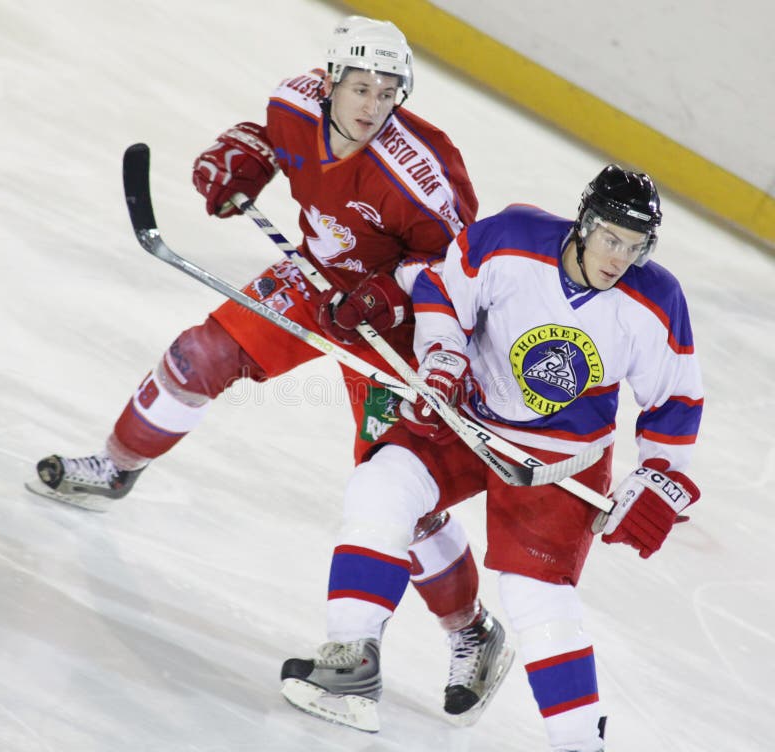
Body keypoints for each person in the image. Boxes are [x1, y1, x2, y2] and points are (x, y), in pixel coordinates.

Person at [28, 16, 512, 723]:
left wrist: (384, 292)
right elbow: (268, 139)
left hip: (401, 332)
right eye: (359, 87)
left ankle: (472, 632)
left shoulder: (418, 178)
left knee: (400, 496)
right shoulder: (293, 102)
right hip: (317, 281)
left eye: (387, 91)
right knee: (199, 356)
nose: (372, 105)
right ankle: (115, 465)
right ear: (330, 81)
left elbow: (455, 268)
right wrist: (241, 161)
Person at [280, 165, 703, 748]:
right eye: (610, 238)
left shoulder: (656, 299)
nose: (618, 258)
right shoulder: (511, 238)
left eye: (635, 247)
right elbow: (440, 290)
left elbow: (675, 400)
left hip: (563, 456)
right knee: (382, 488)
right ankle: (352, 663)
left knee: (535, 592)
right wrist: (443, 355)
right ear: (585, 222)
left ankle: (581, 741)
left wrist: (659, 476)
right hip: (468, 416)